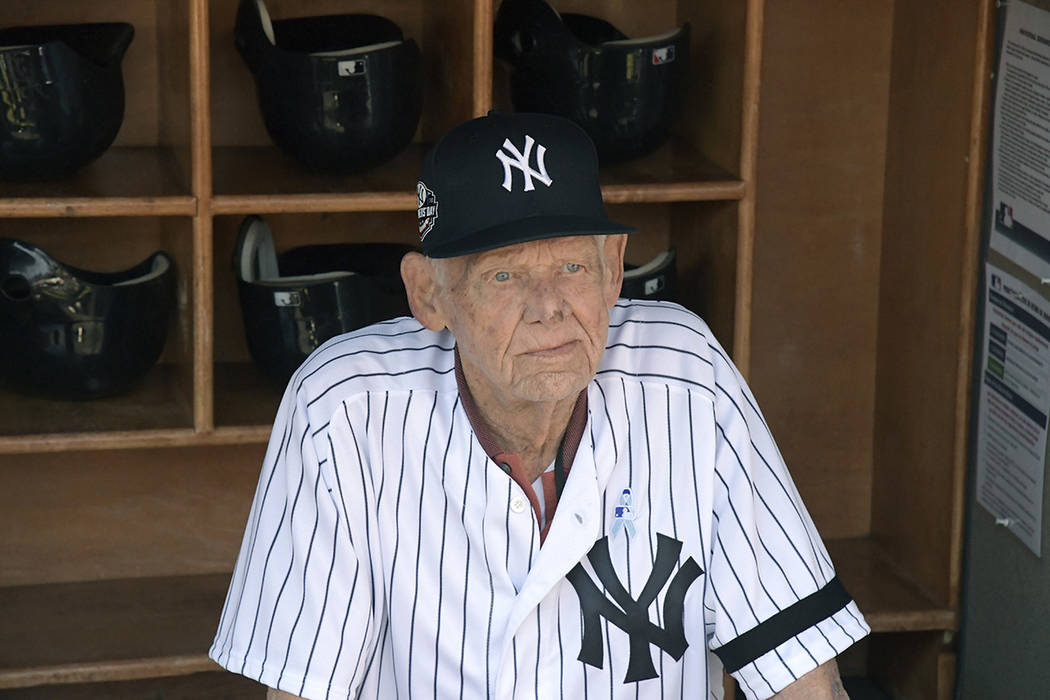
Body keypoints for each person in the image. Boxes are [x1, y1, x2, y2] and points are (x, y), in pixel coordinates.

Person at [209, 111, 869, 699]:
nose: (550, 307)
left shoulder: (687, 377)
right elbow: (303, 689)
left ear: (614, 268)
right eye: (504, 274)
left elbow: (803, 677)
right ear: (428, 295)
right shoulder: (344, 410)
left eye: (573, 268)